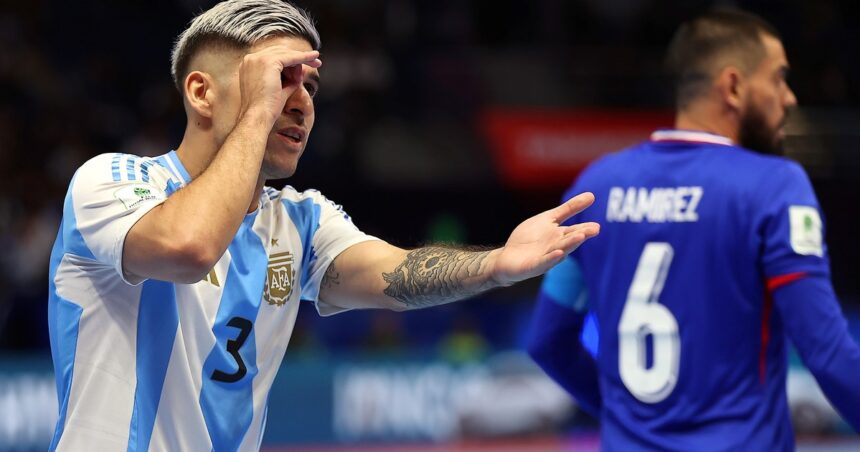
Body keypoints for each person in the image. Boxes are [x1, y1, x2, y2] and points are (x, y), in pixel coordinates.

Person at [46, 1, 601, 450]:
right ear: (201, 92)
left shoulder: (298, 220)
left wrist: (498, 264)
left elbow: (396, 274)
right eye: (279, 78)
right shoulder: (112, 182)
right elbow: (189, 247)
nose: (300, 103)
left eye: (309, 86)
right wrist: (259, 113)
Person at [526, 8, 860, 451]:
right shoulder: (775, 187)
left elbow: (547, 341)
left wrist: (627, 417)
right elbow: (828, 353)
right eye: (779, 79)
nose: (790, 98)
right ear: (734, 86)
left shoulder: (595, 187)